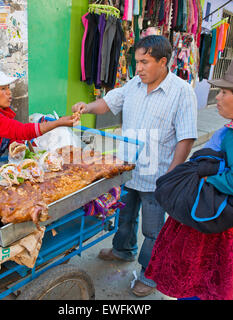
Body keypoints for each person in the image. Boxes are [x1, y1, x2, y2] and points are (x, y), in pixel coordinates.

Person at [144, 52, 233, 300]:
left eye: (224, 93)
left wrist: (209, 180)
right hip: (228, 226)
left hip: (215, 229)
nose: (217, 97)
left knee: (199, 287)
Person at [72, 35, 198, 297]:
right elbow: (109, 102)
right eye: (136, 61)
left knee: (153, 231)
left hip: (157, 175)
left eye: (144, 62)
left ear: (163, 62)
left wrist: (172, 175)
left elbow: (186, 137)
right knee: (124, 217)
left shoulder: (182, 92)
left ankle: (149, 276)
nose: (138, 68)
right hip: (126, 171)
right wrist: (86, 107)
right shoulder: (134, 85)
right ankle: (122, 250)